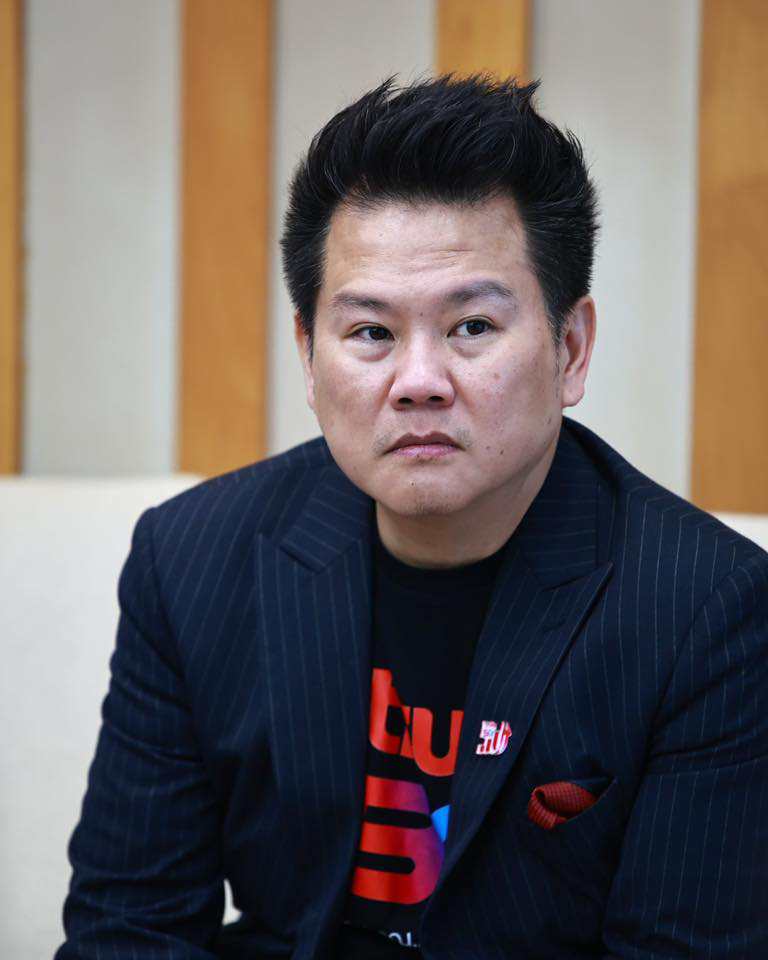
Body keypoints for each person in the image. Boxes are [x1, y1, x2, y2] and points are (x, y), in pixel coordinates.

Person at [57, 75, 768, 960]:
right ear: (308, 357)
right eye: (372, 333)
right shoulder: (193, 560)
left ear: (571, 348)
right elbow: (130, 928)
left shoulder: (707, 611)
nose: (420, 381)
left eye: (472, 327)